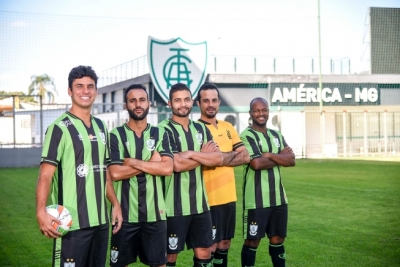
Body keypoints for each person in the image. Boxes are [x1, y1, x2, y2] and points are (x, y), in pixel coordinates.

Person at [36, 65, 122, 267]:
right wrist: (41, 211)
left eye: (90, 86)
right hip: (71, 223)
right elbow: (45, 175)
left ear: (96, 91)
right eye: (79, 86)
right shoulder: (58, 128)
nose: (86, 91)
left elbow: (105, 173)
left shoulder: (101, 127)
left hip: (101, 223)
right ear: (70, 91)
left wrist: (115, 204)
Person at [158, 82, 223, 267]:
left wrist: (192, 154)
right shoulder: (163, 130)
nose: (183, 104)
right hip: (173, 206)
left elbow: (218, 158)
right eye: (177, 100)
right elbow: (175, 164)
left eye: (186, 99)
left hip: (201, 205)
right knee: (169, 256)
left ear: (192, 102)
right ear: (169, 104)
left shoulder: (201, 128)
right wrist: (204, 155)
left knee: (204, 252)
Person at [108, 84, 174, 267]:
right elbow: (114, 173)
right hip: (124, 215)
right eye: (133, 100)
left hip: (156, 215)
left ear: (149, 103)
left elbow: (167, 168)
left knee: (159, 264)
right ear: (125, 105)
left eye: (142, 100)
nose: (138, 104)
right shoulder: (116, 135)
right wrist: (153, 163)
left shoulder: (160, 133)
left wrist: (132, 162)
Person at [196, 83, 250, 267]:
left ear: (219, 102)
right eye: (206, 101)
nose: (210, 104)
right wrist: (225, 157)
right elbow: (199, 161)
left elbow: (245, 156)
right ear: (199, 104)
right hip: (207, 199)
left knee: (224, 244)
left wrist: (216, 158)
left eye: (214, 100)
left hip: (229, 198)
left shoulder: (228, 127)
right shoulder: (195, 130)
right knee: (208, 247)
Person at [240, 97, 295, 267]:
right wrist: (280, 157)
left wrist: (269, 155)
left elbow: (292, 160)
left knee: (278, 238)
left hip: (279, 198)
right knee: (253, 240)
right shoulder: (246, 136)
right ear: (251, 113)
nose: (260, 113)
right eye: (256, 110)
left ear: (268, 111)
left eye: (263, 110)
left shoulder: (276, 135)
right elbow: (256, 163)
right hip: (256, 199)